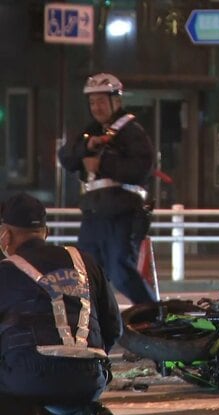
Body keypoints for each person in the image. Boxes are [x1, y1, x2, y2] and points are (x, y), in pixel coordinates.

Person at [0, 193, 123, 415]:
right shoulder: (84, 262)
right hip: (89, 379)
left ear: (6, 235)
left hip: (29, 379)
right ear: (45, 232)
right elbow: (114, 328)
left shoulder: (5, 271)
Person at [58, 73, 156, 305]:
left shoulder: (131, 131)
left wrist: (103, 164)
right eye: (92, 102)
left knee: (120, 269)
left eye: (101, 101)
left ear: (117, 101)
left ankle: (153, 318)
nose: (96, 107)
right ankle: (94, 324)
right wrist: (85, 147)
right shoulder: (91, 132)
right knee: (85, 272)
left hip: (123, 212)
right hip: (94, 213)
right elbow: (66, 156)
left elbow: (142, 167)